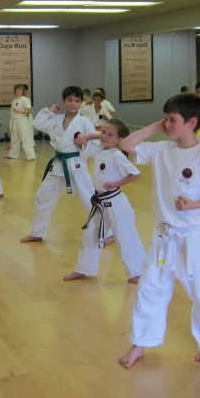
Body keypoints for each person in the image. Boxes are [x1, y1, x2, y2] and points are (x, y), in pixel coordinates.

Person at [117, 94, 200, 367]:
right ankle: (140, 344)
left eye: (173, 120)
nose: (168, 124)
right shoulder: (161, 150)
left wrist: (196, 205)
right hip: (163, 234)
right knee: (149, 289)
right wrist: (158, 126)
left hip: (193, 236)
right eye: (166, 119)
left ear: (192, 122)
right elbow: (126, 144)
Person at [20, 86, 110, 244]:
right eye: (69, 100)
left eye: (76, 100)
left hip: (76, 165)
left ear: (81, 102)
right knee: (43, 197)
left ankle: (107, 232)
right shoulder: (56, 119)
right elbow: (37, 123)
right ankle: (37, 232)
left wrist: (82, 144)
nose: (73, 103)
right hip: (58, 165)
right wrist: (49, 111)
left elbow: (96, 146)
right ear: (64, 101)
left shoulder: (84, 121)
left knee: (90, 198)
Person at [64, 119, 145, 283]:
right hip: (100, 203)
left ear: (119, 140)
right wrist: (98, 134)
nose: (104, 136)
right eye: (103, 132)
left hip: (116, 203)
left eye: (110, 134)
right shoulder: (99, 150)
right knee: (91, 236)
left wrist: (116, 184)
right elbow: (80, 138)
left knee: (126, 237)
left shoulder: (117, 155)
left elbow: (136, 174)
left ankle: (138, 271)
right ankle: (83, 269)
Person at [6, 84, 35, 161]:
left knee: (25, 138)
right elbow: (12, 114)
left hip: (22, 120)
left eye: (20, 90)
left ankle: (30, 156)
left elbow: (29, 110)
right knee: (14, 138)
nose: (18, 91)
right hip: (15, 120)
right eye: (17, 90)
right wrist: (10, 125)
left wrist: (19, 111)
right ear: (14, 91)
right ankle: (13, 154)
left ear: (23, 91)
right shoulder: (13, 101)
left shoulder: (24, 99)